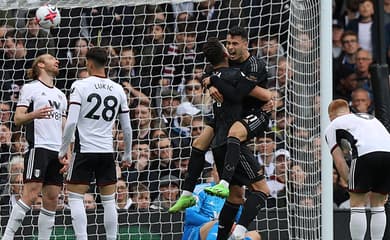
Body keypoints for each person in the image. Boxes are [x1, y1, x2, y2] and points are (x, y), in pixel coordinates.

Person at [170, 26, 272, 212]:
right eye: (228, 43)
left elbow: (241, 93)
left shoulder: (254, 65)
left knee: (253, 188)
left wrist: (215, 82)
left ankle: (223, 182)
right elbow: (207, 72)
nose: (230, 47)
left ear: (245, 44)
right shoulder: (226, 63)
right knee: (198, 144)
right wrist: (209, 84)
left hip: (250, 115)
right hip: (226, 114)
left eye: (234, 43)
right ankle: (186, 194)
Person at [58, 47, 132, 240]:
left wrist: (63, 149)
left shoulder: (79, 86)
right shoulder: (118, 89)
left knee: (75, 197)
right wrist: (128, 154)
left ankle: (82, 238)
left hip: (84, 150)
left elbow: (71, 122)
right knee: (108, 201)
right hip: (107, 152)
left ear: (89, 63)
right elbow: (127, 128)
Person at [2, 53, 68, 240]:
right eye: (52, 58)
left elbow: (65, 128)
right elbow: (18, 118)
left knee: (52, 199)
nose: (57, 61)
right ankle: (6, 237)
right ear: (40, 64)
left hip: (58, 151)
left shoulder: (61, 95)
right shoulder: (31, 89)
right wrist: (35, 114)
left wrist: (68, 153)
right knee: (30, 195)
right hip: (39, 147)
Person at [325, 99, 390, 240]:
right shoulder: (369, 117)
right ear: (348, 111)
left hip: (365, 154)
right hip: (388, 154)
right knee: (378, 204)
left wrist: (351, 184)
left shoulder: (332, 126)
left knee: (357, 203)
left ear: (331, 117)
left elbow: (339, 160)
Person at [183, 165, 261, 240]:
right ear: (213, 173)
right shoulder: (200, 189)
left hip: (224, 231)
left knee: (254, 235)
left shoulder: (233, 195)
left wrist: (243, 204)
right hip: (196, 233)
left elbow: (238, 221)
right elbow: (190, 215)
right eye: (219, 171)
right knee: (220, 224)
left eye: (224, 173)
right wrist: (215, 222)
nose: (222, 175)